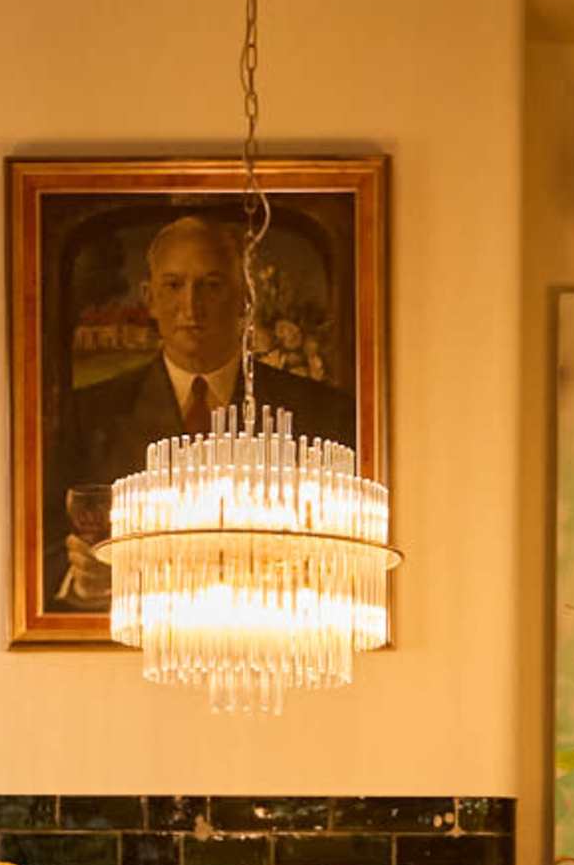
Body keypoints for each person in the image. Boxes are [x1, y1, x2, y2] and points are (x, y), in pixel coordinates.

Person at [53, 213, 357, 604]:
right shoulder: (91, 414)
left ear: (244, 299)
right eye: (174, 285)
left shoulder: (319, 414)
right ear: (149, 298)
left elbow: (344, 550)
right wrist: (82, 582)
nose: (191, 305)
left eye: (211, 286)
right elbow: (42, 544)